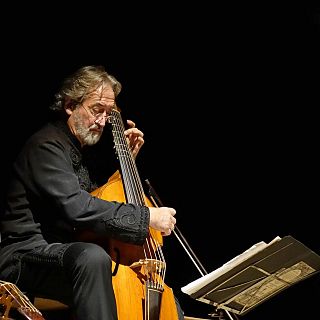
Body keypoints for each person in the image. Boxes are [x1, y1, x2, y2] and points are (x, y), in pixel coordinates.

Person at [0, 65, 184, 320]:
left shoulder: (82, 150)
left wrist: (126, 165)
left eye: (108, 114)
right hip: (25, 255)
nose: (101, 121)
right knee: (92, 257)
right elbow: (77, 207)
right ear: (69, 105)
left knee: (161, 297)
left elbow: (101, 197)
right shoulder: (45, 146)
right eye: (97, 110)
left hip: (65, 252)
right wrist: (147, 217)